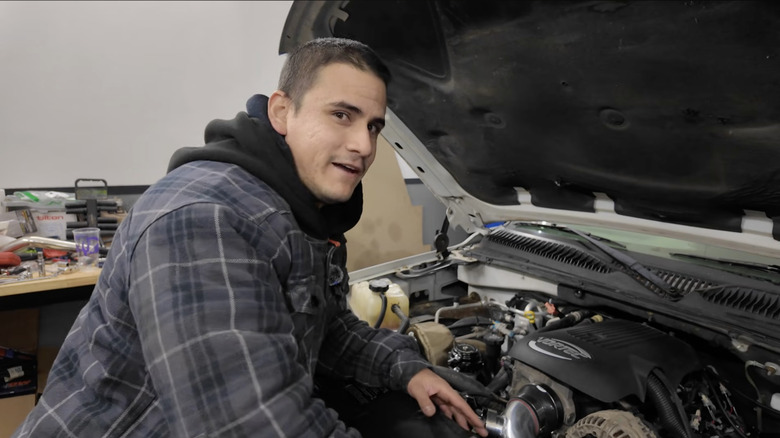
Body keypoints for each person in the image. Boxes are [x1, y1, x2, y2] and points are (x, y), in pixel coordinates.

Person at [13, 38, 488, 438]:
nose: (364, 146)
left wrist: (405, 369)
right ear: (282, 112)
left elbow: (327, 331)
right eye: (342, 115)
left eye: (373, 126)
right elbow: (248, 426)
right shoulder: (206, 218)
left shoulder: (301, 211)